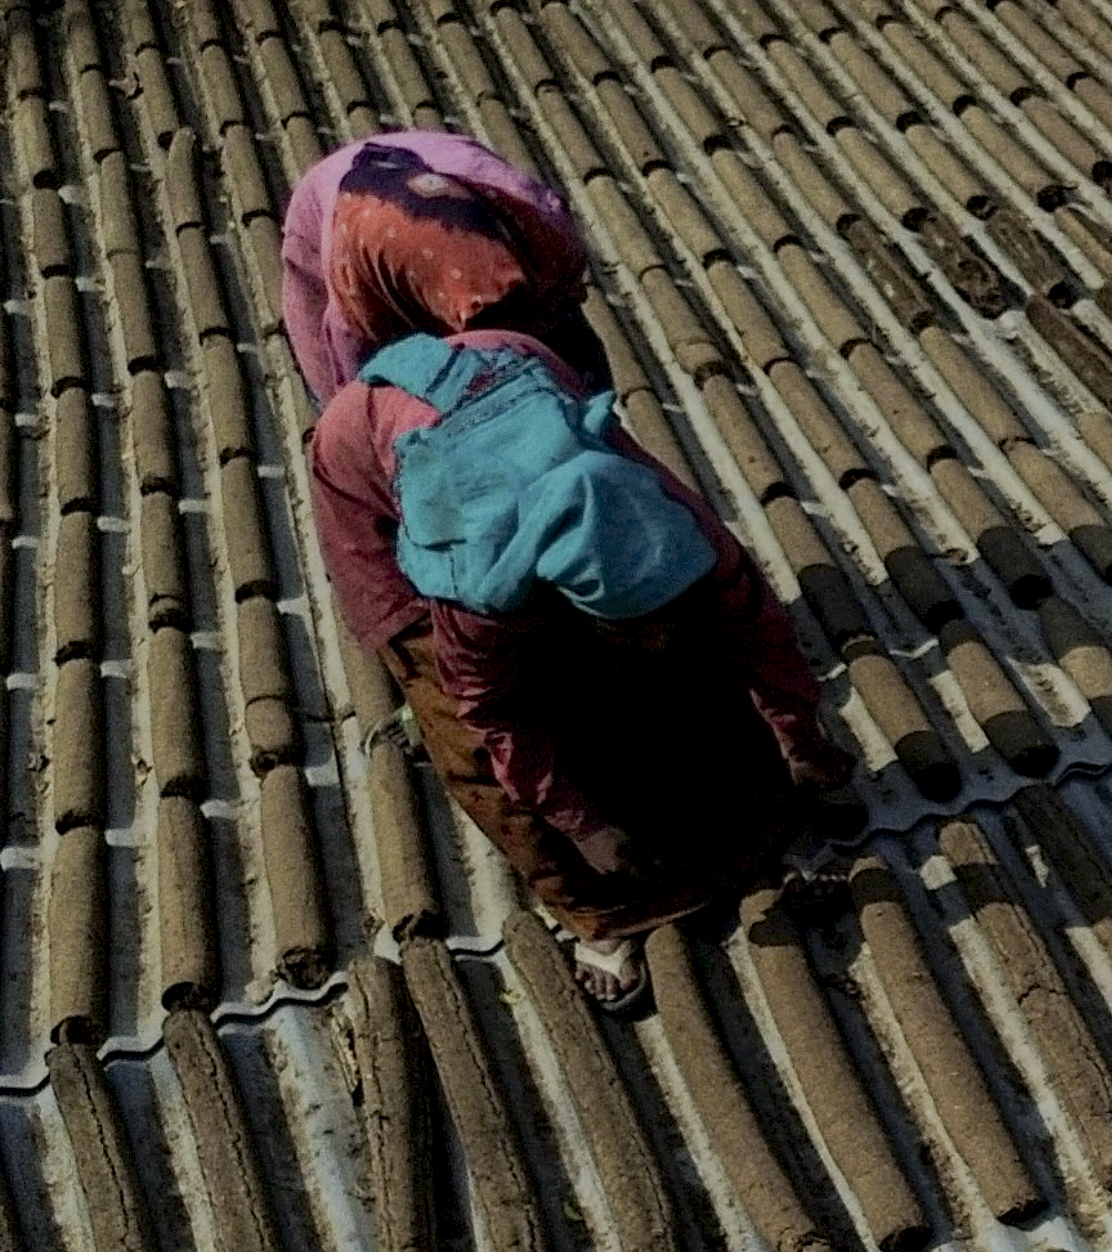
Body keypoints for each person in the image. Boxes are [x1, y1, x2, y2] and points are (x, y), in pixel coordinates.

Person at [305, 326, 857, 1009]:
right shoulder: (477, 590)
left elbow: (759, 631)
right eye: (635, 626)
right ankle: (601, 918)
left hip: (512, 364)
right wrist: (583, 825)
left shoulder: (674, 521)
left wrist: (801, 741)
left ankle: (762, 836)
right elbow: (493, 714)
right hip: (372, 461)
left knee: (685, 671)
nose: (658, 638)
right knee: (459, 722)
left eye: (664, 614)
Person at [278, 129, 614, 407]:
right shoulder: (354, 287)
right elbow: (350, 377)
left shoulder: (541, 228)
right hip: (356, 218)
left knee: (580, 376)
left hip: (449, 169)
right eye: (482, 323)